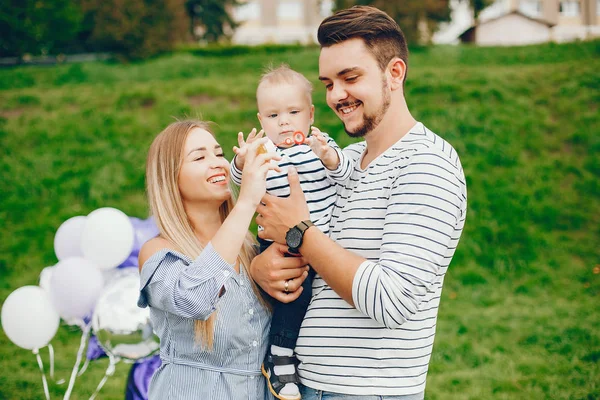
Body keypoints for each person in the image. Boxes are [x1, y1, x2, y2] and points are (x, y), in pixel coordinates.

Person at [250, 6, 468, 400]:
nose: (337, 95)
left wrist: (299, 233)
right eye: (328, 83)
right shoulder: (341, 161)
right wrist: (262, 267)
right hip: (296, 382)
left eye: (350, 78)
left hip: (363, 391)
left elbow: (391, 300)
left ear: (395, 73)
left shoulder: (427, 164)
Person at [136, 119, 307, 399]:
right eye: (199, 157)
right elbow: (197, 298)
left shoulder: (251, 248)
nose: (219, 162)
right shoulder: (158, 252)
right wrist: (247, 201)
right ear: (171, 177)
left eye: (218, 153)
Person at [230, 65, 353, 400]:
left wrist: (327, 155)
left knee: (305, 298)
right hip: (279, 240)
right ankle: (280, 355)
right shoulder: (265, 152)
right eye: (273, 115)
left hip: (317, 238)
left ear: (310, 114)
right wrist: (243, 162)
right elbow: (242, 181)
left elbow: (343, 170)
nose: (283, 122)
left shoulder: (320, 143)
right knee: (293, 296)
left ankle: (287, 351)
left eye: (293, 112)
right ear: (261, 119)